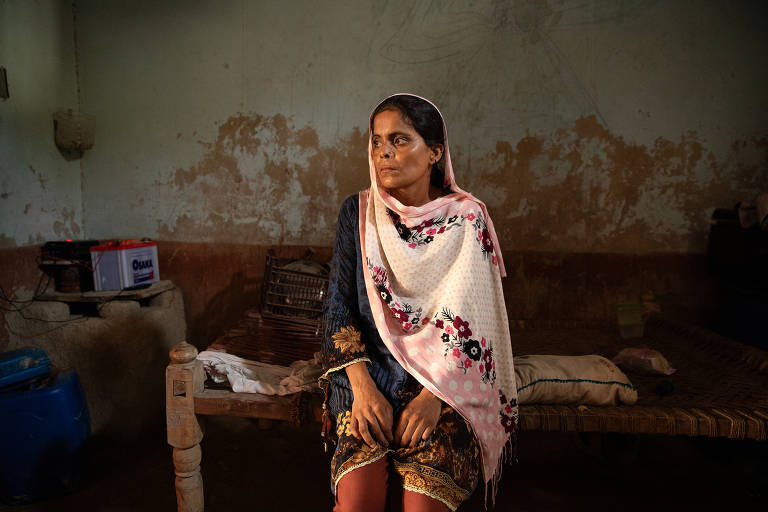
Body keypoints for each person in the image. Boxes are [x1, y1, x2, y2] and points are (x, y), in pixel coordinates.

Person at [320, 94, 518, 512]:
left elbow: (472, 324)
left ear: (434, 152)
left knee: (423, 506)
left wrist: (433, 398)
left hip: (444, 384)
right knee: (357, 502)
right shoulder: (357, 213)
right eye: (376, 142)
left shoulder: (467, 219)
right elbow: (339, 308)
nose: (384, 153)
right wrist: (362, 388)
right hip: (367, 375)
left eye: (399, 140)